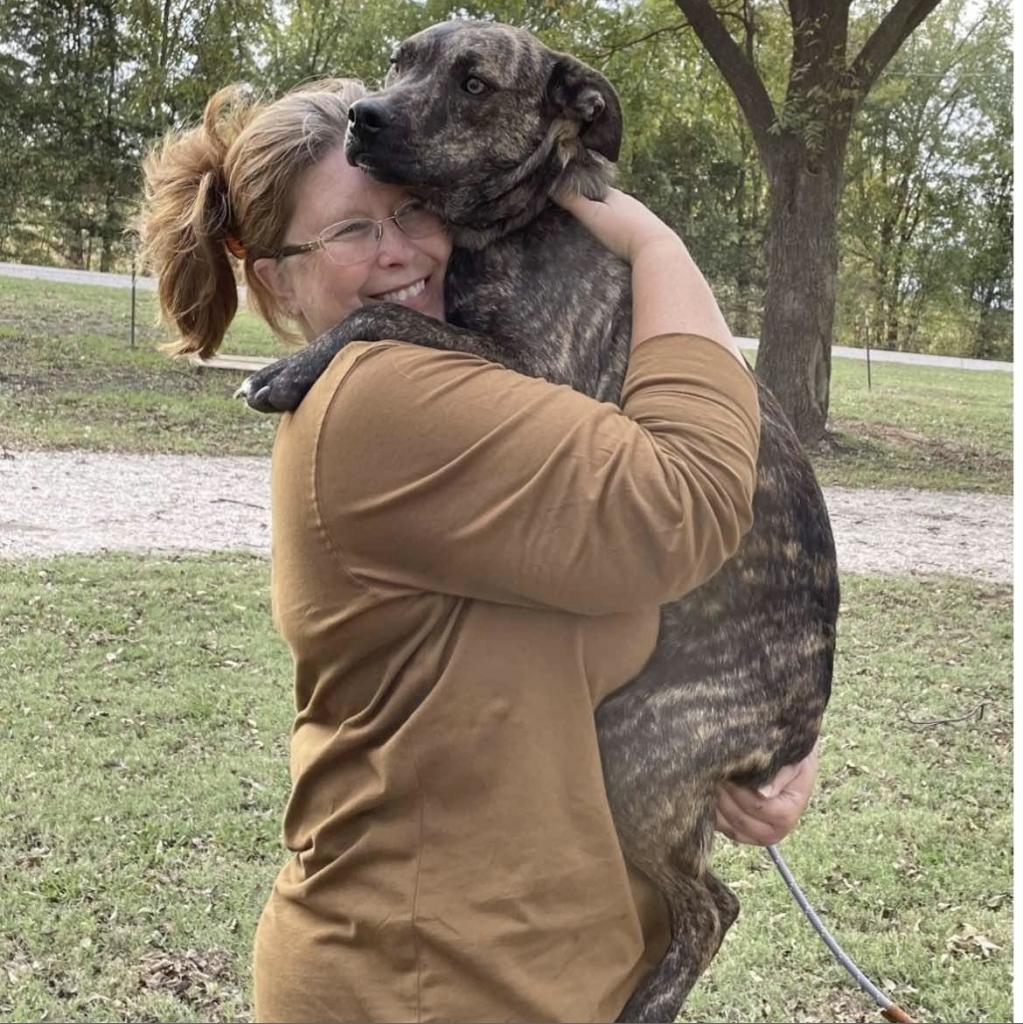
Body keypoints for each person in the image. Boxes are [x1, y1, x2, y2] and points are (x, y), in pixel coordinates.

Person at [139, 78, 818, 1023]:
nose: (401, 252)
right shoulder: (381, 398)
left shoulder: (493, 384)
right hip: (423, 982)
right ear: (273, 278)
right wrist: (656, 243)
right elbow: (689, 505)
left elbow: (641, 612)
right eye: (350, 231)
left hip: (556, 966)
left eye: (415, 208)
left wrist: (747, 750)